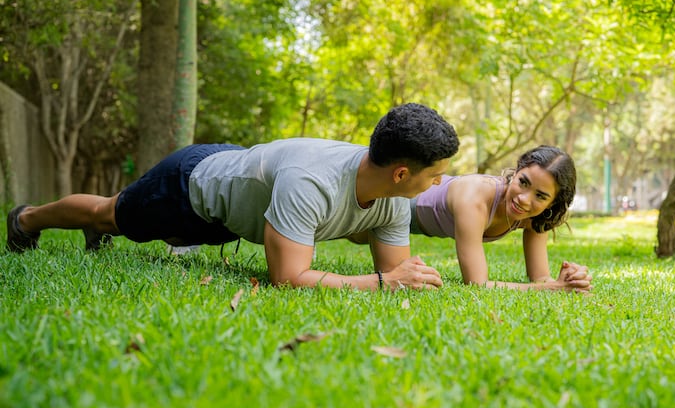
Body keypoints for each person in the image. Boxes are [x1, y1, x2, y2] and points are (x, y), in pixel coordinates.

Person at [6, 103, 460, 291]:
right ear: (402, 172)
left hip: (240, 181)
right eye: (436, 175)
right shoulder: (312, 180)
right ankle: (26, 219)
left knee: (113, 218)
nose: (438, 183)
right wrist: (381, 283)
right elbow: (288, 277)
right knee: (110, 214)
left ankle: (79, 226)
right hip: (193, 185)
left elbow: (393, 268)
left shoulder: (395, 196)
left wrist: (397, 277)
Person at [348, 145, 592, 292]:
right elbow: (477, 284)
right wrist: (552, 289)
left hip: (397, 225)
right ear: (516, 171)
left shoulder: (535, 217)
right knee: (343, 229)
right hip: (392, 200)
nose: (524, 199)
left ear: (553, 203)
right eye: (523, 182)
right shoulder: (475, 197)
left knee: (353, 234)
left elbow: (540, 278)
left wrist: (569, 280)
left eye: (540, 196)